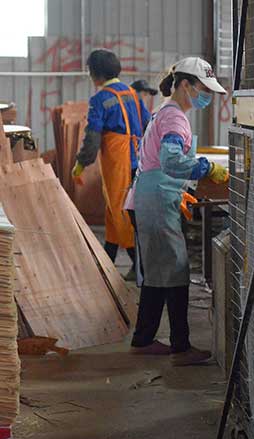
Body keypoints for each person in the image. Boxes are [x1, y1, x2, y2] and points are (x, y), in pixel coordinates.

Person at [129, 57, 228, 366]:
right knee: (174, 272)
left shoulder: (166, 111)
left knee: (159, 273)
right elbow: (171, 160)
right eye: (203, 89)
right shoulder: (174, 118)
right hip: (157, 198)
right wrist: (207, 168)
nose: (207, 96)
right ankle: (180, 348)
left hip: (152, 195)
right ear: (185, 85)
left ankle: (143, 339)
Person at [73, 49, 150, 282]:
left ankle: (141, 267)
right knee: (114, 210)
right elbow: (147, 123)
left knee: (120, 211)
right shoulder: (132, 93)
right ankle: (108, 259)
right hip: (137, 159)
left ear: (95, 73)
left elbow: (93, 137)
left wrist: (81, 163)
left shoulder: (99, 100)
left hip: (118, 163)